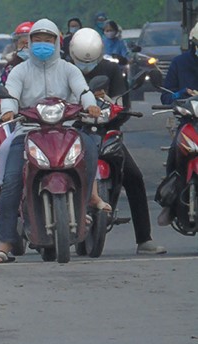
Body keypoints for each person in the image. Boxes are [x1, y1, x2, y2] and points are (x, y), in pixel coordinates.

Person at [0, 18, 103, 263]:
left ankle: (86, 205)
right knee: (10, 179)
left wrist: (91, 105)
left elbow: (83, 91)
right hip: (27, 130)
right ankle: (5, 241)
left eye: (48, 40)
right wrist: (8, 110)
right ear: (29, 43)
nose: (43, 44)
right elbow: (10, 94)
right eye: (37, 40)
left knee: (92, 148)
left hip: (67, 129)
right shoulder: (20, 70)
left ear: (57, 42)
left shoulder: (68, 69)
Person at [69, 28, 166, 254]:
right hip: (75, 134)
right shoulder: (66, 69)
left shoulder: (112, 69)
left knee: (134, 177)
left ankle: (144, 238)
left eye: (91, 61)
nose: (86, 67)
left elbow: (123, 104)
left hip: (106, 132)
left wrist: (110, 104)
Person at [158, 21, 198, 225]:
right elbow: (166, 97)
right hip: (189, 121)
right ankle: (170, 202)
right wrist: (181, 94)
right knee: (175, 152)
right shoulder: (179, 63)